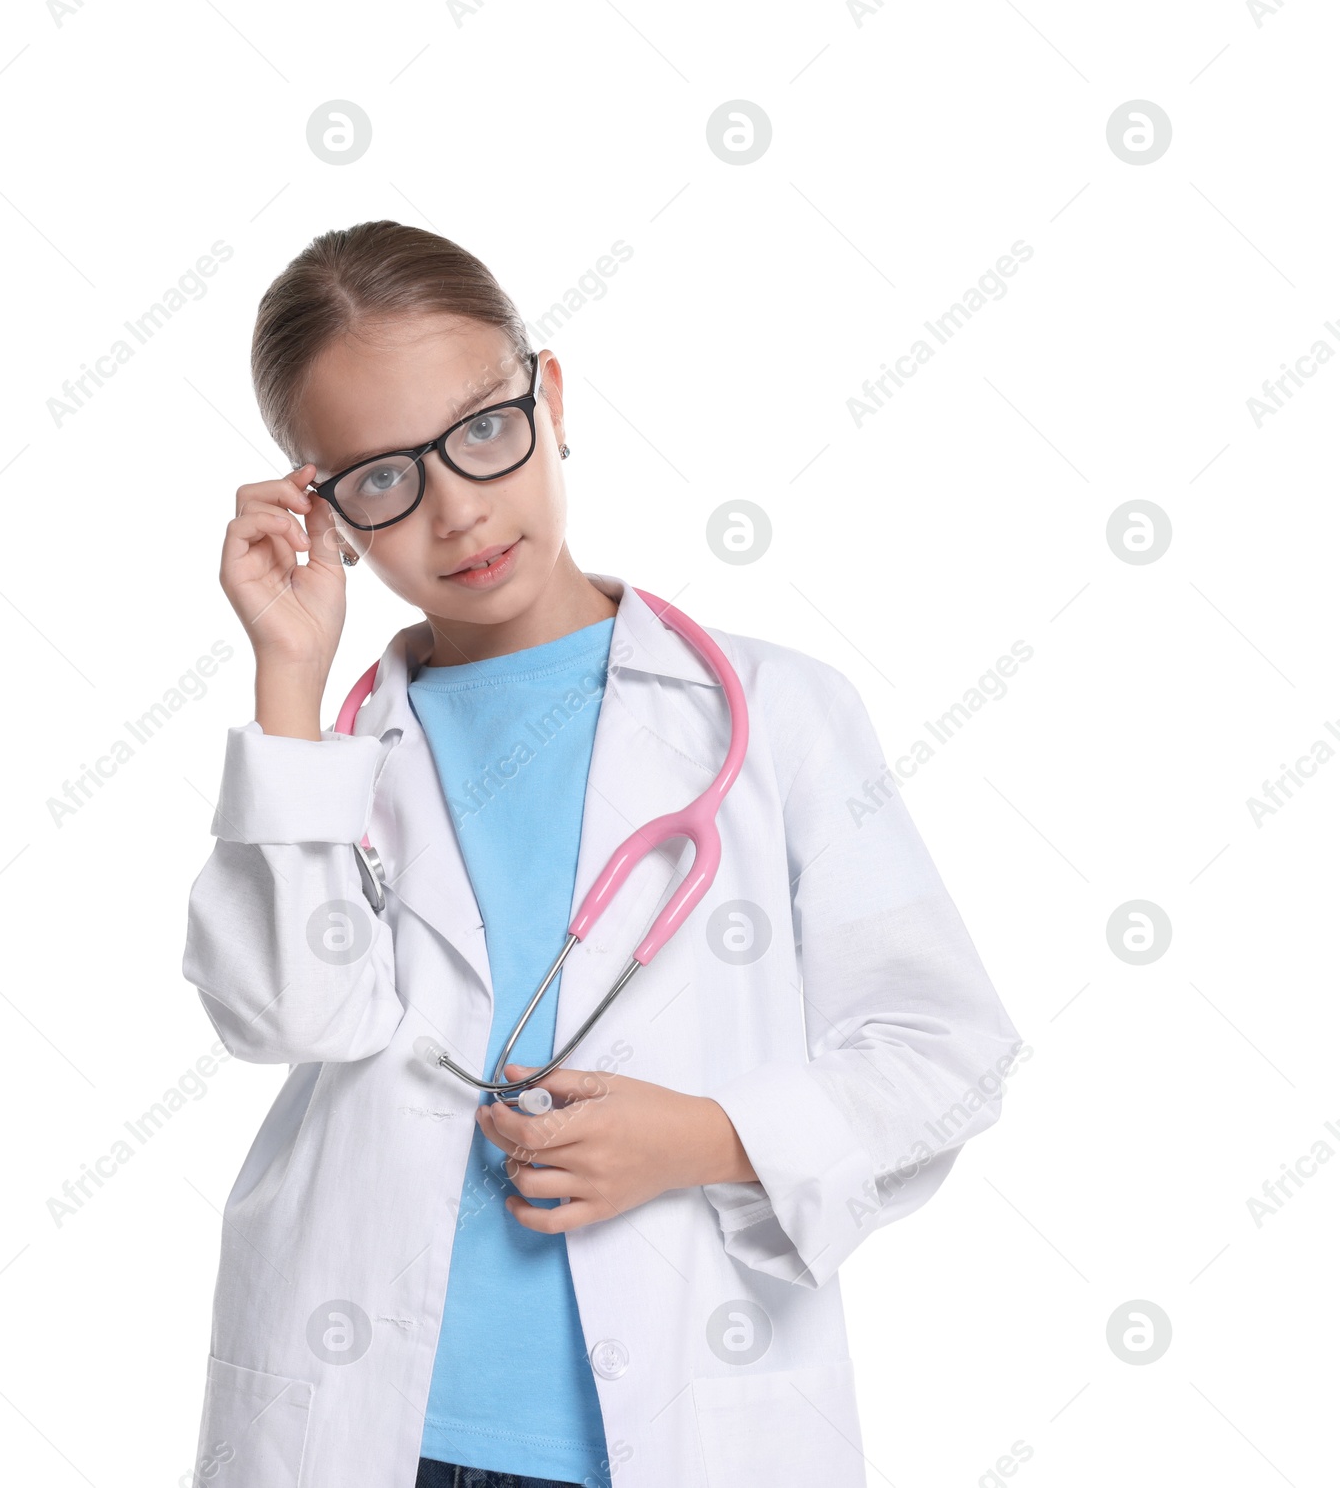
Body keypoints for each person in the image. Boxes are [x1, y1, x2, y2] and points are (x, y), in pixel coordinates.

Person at [180, 219, 1022, 1488]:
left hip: (684, 1426)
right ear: (327, 511)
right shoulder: (342, 752)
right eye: (382, 479)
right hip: (366, 1431)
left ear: (549, 397)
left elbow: (943, 1054)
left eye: (480, 431)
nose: (457, 510)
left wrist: (704, 1137)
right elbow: (284, 1017)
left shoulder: (775, 714)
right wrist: (287, 685)